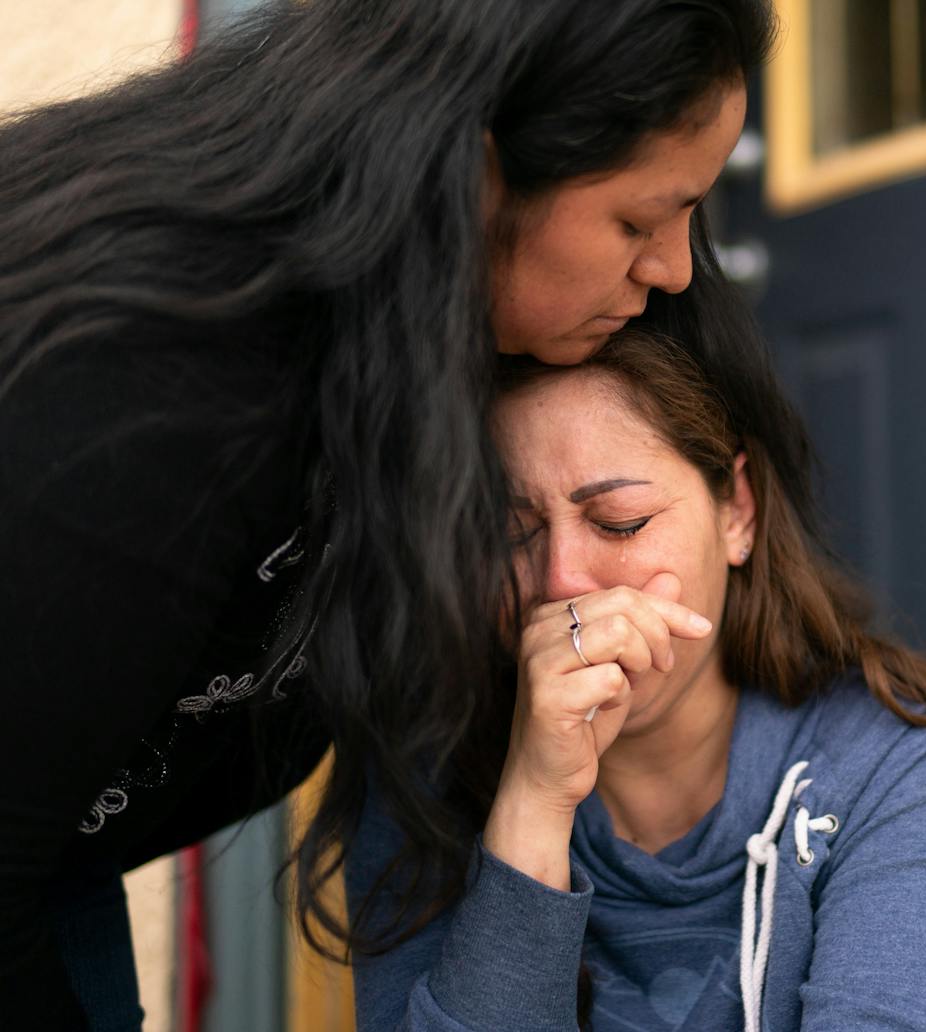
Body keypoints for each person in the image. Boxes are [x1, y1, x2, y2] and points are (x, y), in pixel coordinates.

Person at [0, 2, 789, 1028]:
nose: (675, 268)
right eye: (636, 223)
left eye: (690, 215)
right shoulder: (142, 392)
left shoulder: (447, 306)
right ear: (472, 172)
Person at [344, 331, 926, 1031]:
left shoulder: (892, 772)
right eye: (511, 532)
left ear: (736, 512)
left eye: (620, 524)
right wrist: (532, 803)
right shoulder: (420, 775)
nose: (562, 582)